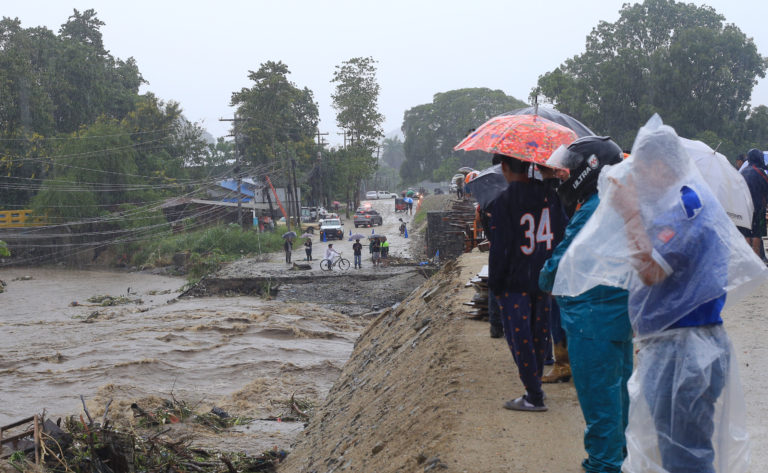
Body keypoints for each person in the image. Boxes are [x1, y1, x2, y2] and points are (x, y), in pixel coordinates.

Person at [552, 115, 765, 473]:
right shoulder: (684, 202)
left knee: (685, 458)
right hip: (684, 346)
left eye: (641, 167)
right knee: (681, 452)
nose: (636, 177)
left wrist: (630, 212)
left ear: (662, 167)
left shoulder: (684, 207)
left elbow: (650, 271)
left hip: (683, 352)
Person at [539, 136, 632, 473]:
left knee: (600, 403)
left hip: (591, 320)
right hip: (616, 316)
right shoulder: (617, 201)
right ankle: (616, 456)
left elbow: (557, 266)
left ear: (589, 169)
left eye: (568, 171)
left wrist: (543, 276)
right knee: (617, 398)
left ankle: (604, 464)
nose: (562, 178)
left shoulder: (592, 208)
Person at [488, 153, 568, 412]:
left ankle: (533, 394)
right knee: (538, 334)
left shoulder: (504, 201)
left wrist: (496, 287)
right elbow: (560, 234)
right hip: (543, 279)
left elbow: (500, 249)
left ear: (504, 167)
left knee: (518, 336)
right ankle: (535, 387)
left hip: (514, 283)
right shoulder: (549, 196)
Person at [739, 148, 768, 258]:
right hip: (758, 207)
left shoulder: (742, 172)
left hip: (744, 207)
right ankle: (756, 259)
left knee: (746, 233)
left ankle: (747, 258)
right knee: (757, 234)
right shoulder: (760, 172)